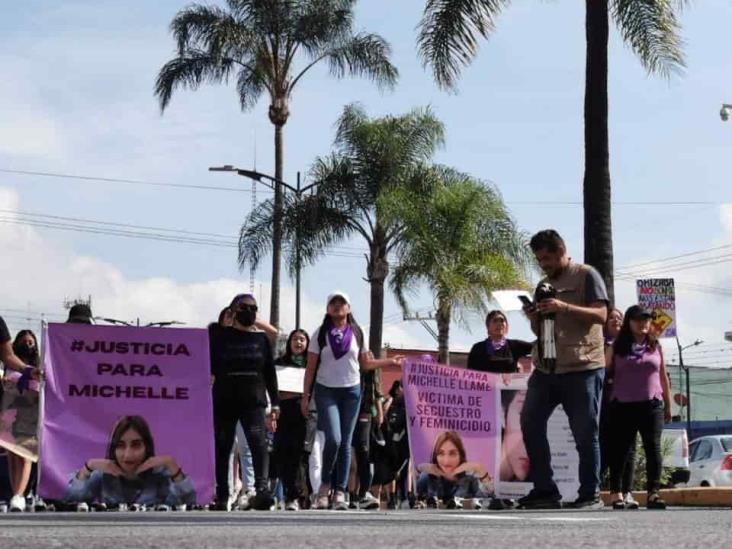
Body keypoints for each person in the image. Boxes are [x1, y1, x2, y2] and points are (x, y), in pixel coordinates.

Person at [519, 229, 609, 509]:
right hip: (547, 369)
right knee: (529, 422)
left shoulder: (586, 275)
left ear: (561, 251)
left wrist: (564, 307)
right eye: (539, 260)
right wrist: (533, 316)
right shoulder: (543, 284)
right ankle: (545, 489)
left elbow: (602, 315)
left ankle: (589, 494)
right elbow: (542, 328)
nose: (543, 264)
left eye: (547, 258)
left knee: (584, 432)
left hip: (582, 367)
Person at [300, 291, 402, 511]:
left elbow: (365, 364)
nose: (337, 306)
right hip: (326, 391)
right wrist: (305, 396)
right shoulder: (320, 334)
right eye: (333, 303)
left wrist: (390, 361)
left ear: (349, 308)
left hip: (352, 392)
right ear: (328, 309)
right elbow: (310, 370)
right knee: (334, 439)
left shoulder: (357, 332)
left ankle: (340, 491)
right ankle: (324, 486)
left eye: (342, 303)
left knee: (346, 442)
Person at [209, 293, 279, 511]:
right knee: (223, 446)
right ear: (233, 311)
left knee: (258, 444)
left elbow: (270, 373)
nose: (249, 312)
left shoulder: (261, 340)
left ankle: (262, 490)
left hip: (254, 401)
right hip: (224, 400)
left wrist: (275, 403)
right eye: (244, 308)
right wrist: (229, 315)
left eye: (253, 308)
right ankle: (222, 495)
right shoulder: (218, 336)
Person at [606, 305, 672, 510]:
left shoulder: (656, 346)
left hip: (651, 404)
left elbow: (662, 376)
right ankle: (616, 492)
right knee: (621, 450)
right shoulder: (617, 346)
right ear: (629, 322)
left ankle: (653, 493)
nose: (643, 323)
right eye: (637, 319)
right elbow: (604, 372)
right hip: (623, 404)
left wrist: (668, 404)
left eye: (646, 319)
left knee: (653, 448)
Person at [65, 415, 195, 508]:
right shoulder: (102, 475)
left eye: (136, 445)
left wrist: (171, 465)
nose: (128, 455)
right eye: (120, 445)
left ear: (147, 447)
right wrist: (88, 467)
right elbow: (72, 502)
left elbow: (188, 504)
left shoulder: (161, 476)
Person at [599, 308, 638, 508]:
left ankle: (627, 491)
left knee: (629, 449)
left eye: (619, 318)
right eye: (611, 318)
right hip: (606, 404)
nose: (615, 320)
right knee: (605, 447)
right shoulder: (598, 345)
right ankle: (597, 491)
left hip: (630, 403)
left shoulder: (633, 345)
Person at [2, 330, 41, 512]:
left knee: (26, 454)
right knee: (12, 455)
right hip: (10, 411)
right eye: (25, 341)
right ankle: (14, 493)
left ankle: (20, 495)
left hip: (29, 413)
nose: (28, 345)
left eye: (31, 342)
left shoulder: (39, 366)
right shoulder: (9, 364)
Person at [273, 329, 310, 511]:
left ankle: (294, 496)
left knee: (297, 455)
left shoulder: (311, 365)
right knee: (281, 452)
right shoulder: (279, 363)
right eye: (295, 339)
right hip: (282, 411)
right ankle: (286, 491)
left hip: (302, 412)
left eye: (302, 339)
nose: (299, 343)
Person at [415, 431, 492, 509]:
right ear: (436, 456)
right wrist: (418, 468)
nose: (446, 461)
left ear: (460, 456)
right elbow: (409, 504)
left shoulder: (470, 480)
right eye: (441, 453)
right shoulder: (427, 478)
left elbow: (489, 504)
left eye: (452, 453)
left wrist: (480, 469)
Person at [467, 310, 533, 373]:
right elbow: (470, 375)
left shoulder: (514, 346)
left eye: (502, 320)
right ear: (488, 326)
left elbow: (539, 346)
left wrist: (535, 319)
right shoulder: (478, 348)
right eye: (495, 321)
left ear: (506, 326)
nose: (499, 324)